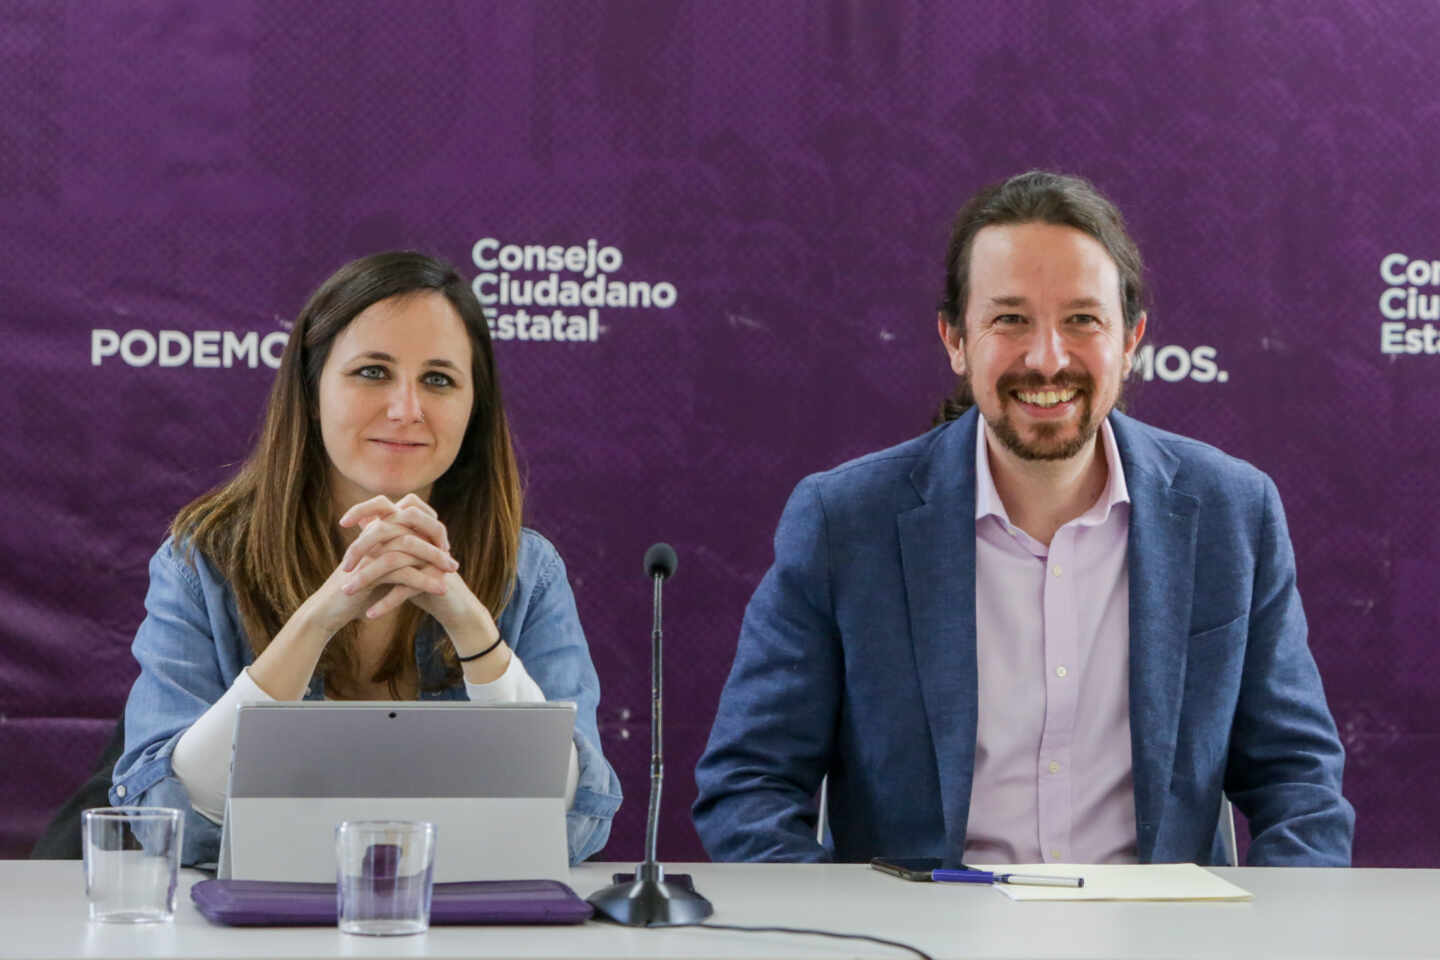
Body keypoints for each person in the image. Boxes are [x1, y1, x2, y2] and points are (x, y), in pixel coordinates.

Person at [693, 171, 1353, 867]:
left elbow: (1299, 785)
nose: (1047, 359)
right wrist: (853, 938)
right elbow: (749, 786)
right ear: (954, 339)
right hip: (923, 942)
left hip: (1160, 938)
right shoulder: (845, 522)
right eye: (1010, 319)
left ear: (1131, 339)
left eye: (1081, 320)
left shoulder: (1232, 514)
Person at [111, 251, 621, 867]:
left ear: (473, 408)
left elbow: (574, 822)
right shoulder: (204, 562)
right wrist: (317, 618)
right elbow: (171, 817)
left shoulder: (526, 571)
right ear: (311, 390)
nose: (407, 408)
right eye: (373, 372)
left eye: (439, 379)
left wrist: (471, 627)